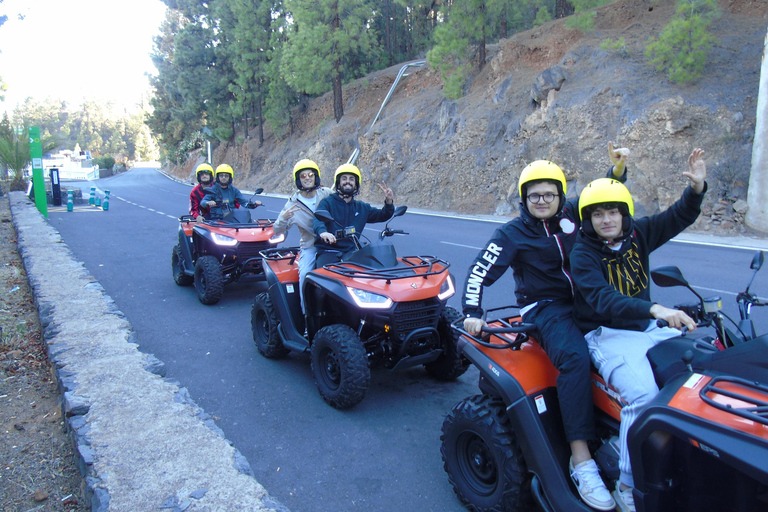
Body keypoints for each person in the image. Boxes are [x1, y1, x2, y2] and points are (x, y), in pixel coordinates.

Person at [461, 143, 631, 511]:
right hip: (546, 308)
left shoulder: (572, 215)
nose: (542, 200)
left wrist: (617, 172)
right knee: (573, 357)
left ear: (560, 196)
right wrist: (472, 310)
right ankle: (582, 459)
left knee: (636, 336)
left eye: (549, 194)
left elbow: (600, 200)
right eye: (534, 195)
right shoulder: (511, 234)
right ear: (524, 199)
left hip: (587, 299)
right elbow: (478, 271)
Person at [570, 148, 707, 512]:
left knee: (699, 377)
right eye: (597, 214)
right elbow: (602, 300)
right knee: (645, 398)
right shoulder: (583, 253)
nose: (607, 219)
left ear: (624, 214)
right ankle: (629, 485)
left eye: (613, 211)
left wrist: (695, 189)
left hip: (648, 327)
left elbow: (678, 217)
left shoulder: (639, 234)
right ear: (588, 220)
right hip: (607, 334)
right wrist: (657, 308)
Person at [273, 159, 333, 309]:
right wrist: (283, 218)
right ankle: (307, 316)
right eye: (303, 176)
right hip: (311, 246)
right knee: (305, 275)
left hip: (333, 242)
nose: (307, 178)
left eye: (310, 174)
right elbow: (277, 230)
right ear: (298, 180)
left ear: (316, 177)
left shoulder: (326, 194)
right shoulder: (292, 204)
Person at [312, 163, 395, 267]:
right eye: (344, 178)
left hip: (352, 252)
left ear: (356, 184)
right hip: (329, 251)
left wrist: (389, 201)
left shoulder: (362, 207)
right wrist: (323, 232)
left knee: (371, 272)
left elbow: (383, 215)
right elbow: (318, 219)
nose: (348, 181)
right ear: (338, 183)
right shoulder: (328, 203)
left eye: (351, 179)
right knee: (322, 277)